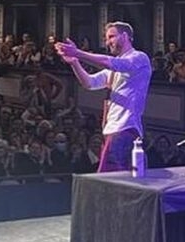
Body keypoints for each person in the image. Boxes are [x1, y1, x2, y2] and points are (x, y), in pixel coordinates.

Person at [56, 22, 152, 172]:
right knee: (112, 179)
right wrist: (74, 62)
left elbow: (111, 63)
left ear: (125, 36)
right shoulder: (114, 71)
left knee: (111, 180)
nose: (108, 42)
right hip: (112, 130)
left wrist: (78, 53)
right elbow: (89, 83)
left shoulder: (139, 58)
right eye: (107, 38)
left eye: (111, 37)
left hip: (125, 128)